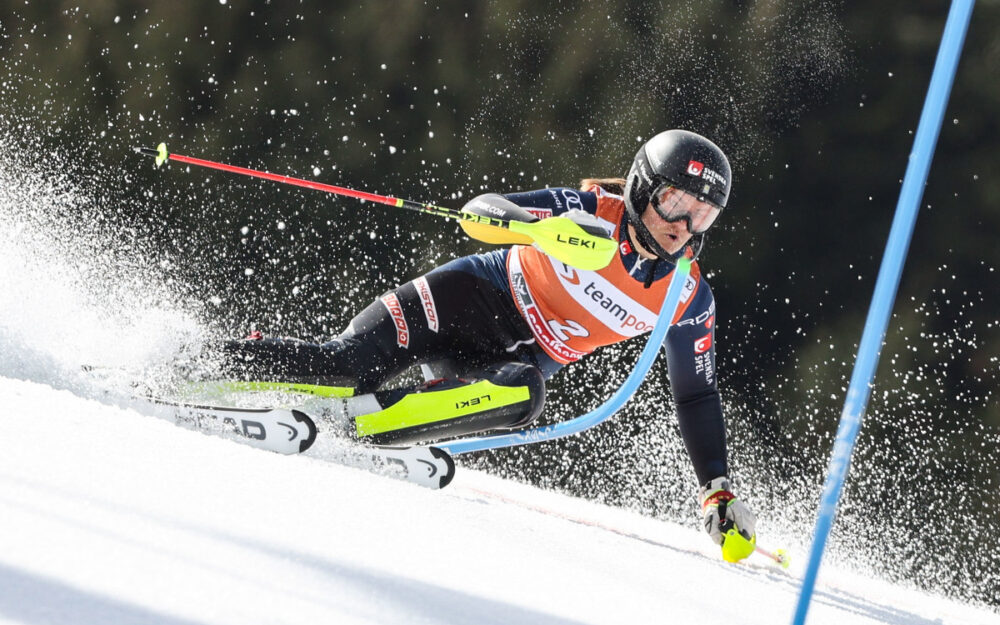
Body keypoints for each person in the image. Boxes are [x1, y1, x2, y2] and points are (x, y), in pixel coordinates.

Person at [211, 129, 757, 558]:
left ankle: (356, 425)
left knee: (525, 394)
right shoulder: (589, 211)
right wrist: (530, 225)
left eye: (701, 214)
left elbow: (696, 396)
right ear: (642, 188)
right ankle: (200, 360)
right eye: (673, 203)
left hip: (506, 362)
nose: (683, 225)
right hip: (465, 298)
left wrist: (718, 489)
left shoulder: (686, 297)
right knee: (346, 364)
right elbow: (483, 210)